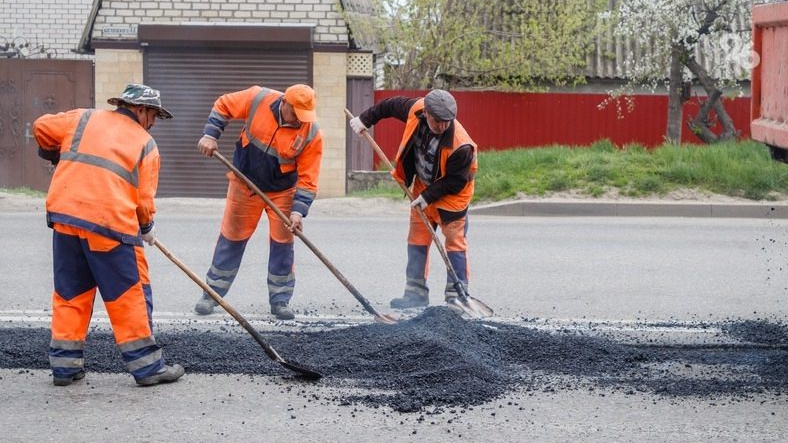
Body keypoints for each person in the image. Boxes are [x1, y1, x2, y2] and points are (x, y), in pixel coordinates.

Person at [33, 83, 184, 386]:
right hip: (108, 224)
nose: (153, 123)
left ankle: (64, 367)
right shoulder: (146, 143)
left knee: (70, 293)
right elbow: (143, 201)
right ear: (141, 110)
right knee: (129, 295)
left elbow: (41, 127)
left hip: (66, 217)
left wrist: (55, 155)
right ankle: (148, 368)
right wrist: (147, 228)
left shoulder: (83, 118)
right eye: (153, 115)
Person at [194, 84, 323, 320]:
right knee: (232, 237)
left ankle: (280, 299)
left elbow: (308, 178)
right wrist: (210, 135)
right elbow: (223, 104)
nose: (299, 121)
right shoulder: (257, 98)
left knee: (283, 243)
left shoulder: (311, 133)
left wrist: (298, 212)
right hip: (245, 183)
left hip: (283, 191)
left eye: (304, 116)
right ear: (284, 102)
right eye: (295, 114)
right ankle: (212, 294)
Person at [349, 89, 478, 309]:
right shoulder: (415, 109)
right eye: (437, 121)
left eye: (447, 121)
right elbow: (388, 106)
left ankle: (457, 295)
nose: (442, 126)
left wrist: (427, 197)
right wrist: (365, 119)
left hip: (452, 197)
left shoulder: (461, 146)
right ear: (426, 113)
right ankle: (415, 294)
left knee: (455, 244)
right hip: (423, 187)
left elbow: (455, 181)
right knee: (417, 240)